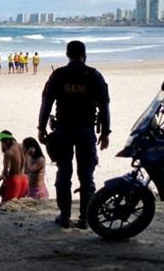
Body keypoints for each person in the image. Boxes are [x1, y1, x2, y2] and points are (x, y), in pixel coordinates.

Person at [37, 40, 111, 229]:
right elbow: (104, 106)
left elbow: (46, 103)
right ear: (84, 54)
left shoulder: (59, 75)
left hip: (64, 130)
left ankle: (65, 216)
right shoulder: (94, 76)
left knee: (64, 172)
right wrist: (105, 133)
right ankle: (85, 218)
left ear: (67, 54)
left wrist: (41, 127)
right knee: (86, 175)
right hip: (86, 130)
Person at [0, 130, 28, 202]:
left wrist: (1, 176)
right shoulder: (22, 146)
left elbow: (5, 171)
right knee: (19, 204)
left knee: (8, 204)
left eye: (2, 141)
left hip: (14, 180)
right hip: (24, 179)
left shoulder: (8, 152)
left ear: (7, 141)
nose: (2, 144)